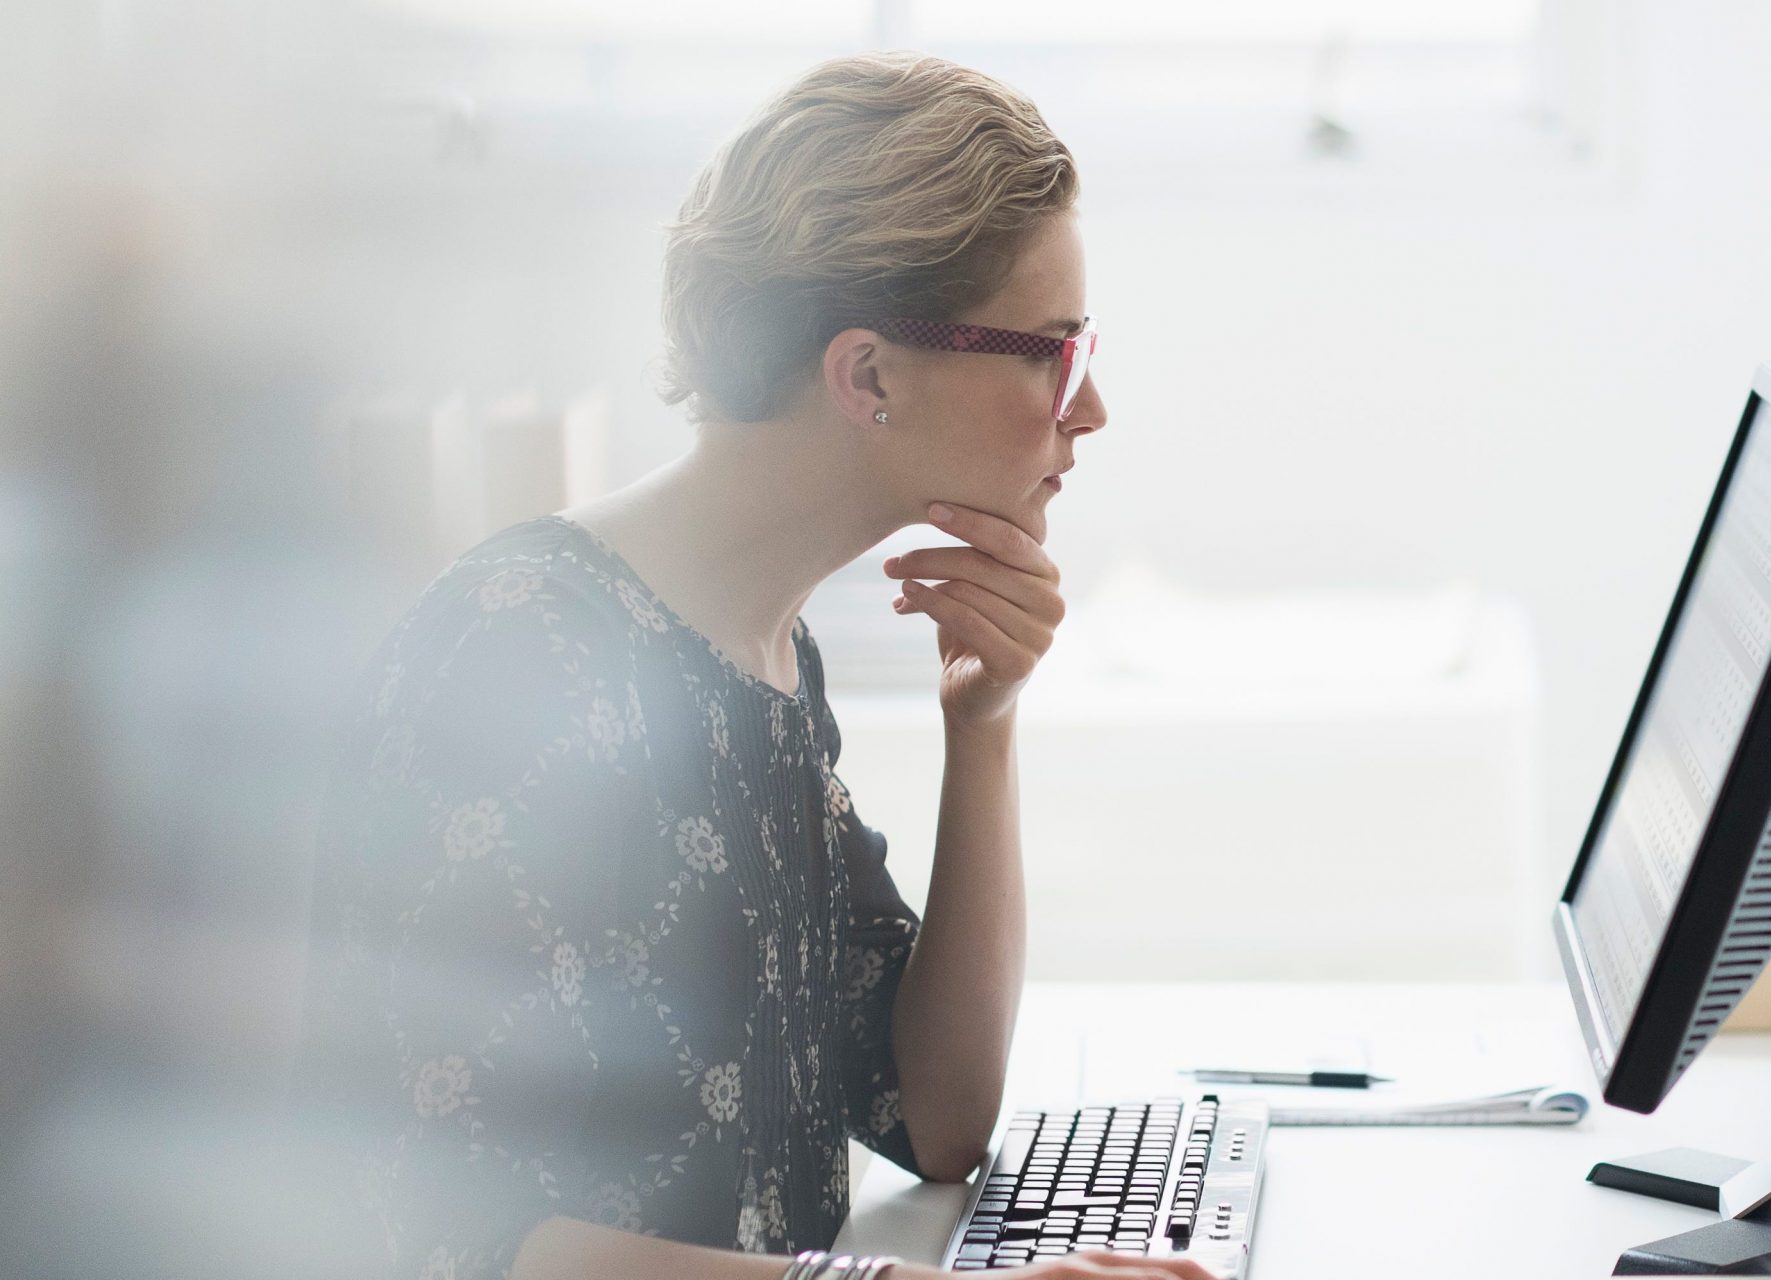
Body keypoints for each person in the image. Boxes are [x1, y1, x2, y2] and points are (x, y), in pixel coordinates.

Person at [297, 53, 1211, 1280]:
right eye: (1053, 350)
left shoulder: (766, 652)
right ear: (868, 374)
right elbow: (442, 1238)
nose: (1088, 407)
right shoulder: (520, 652)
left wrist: (980, 727)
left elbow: (935, 1118)